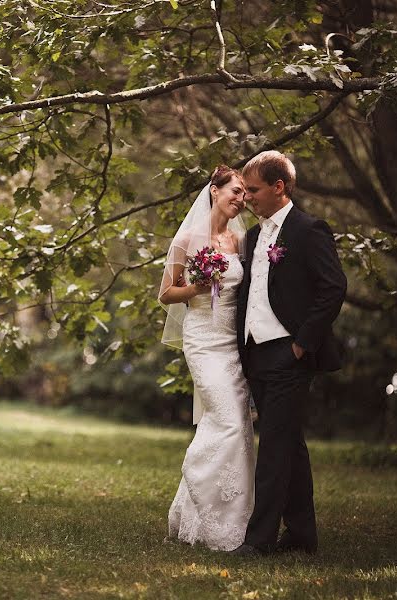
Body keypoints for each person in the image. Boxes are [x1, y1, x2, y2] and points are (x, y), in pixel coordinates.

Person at [232, 151, 347, 555]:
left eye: (254, 190)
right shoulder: (252, 235)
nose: (247, 198)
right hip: (255, 354)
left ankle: (258, 540)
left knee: (275, 446)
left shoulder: (308, 229)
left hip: (289, 354)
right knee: (289, 444)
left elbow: (333, 286)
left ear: (279, 187)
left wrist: (303, 341)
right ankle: (302, 535)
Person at [158, 165, 256, 551]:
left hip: (233, 343)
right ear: (214, 191)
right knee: (228, 421)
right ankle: (200, 480)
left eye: (245, 193)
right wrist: (197, 286)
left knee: (236, 426)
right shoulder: (187, 238)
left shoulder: (240, 241)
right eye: (235, 190)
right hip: (202, 339)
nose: (241, 198)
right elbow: (166, 293)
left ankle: (213, 518)